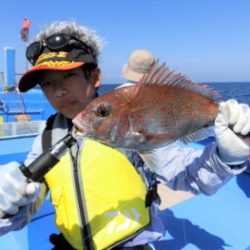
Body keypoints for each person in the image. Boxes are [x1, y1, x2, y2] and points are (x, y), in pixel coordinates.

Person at [0, 20, 249, 250]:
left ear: (95, 76)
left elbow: (188, 177)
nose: (59, 91)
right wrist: (6, 206)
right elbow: (24, 211)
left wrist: (227, 157)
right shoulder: (45, 138)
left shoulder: (129, 125)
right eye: (47, 83)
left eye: (68, 75)